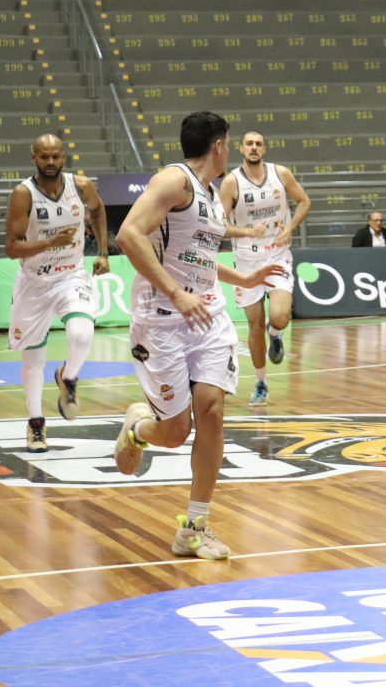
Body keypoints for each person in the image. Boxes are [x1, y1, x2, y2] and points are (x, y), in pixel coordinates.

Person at [113, 111, 284, 561]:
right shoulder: (175, 181)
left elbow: (199, 257)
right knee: (175, 432)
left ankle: (194, 527)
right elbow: (128, 235)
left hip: (208, 315)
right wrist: (174, 291)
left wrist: (244, 279)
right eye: (230, 143)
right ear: (220, 145)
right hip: (161, 319)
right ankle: (138, 429)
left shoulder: (210, 194)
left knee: (212, 412)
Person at [4, 134, 109, 452]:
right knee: (33, 359)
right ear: (33, 157)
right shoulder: (23, 194)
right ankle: (36, 424)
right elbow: (12, 248)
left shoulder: (81, 186)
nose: (50, 162)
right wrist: (50, 242)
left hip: (70, 275)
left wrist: (103, 252)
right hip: (34, 283)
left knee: (82, 333)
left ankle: (68, 376)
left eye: (56, 156)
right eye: (44, 157)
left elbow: (99, 211)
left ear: (64, 156)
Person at [219, 130, 311, 408]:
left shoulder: (280, 174)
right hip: (247, 262)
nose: (254, 147)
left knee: (280, 316)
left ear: (264, 149)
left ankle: (276, 333)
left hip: (277, 255)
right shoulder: (231, 182)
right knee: (254, 324)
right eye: (249, 143)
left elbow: (304, 201)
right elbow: (219, 224)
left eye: (258, 144)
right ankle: (261, 383)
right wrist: (247, 231)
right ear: (241, 149)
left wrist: (290, 227)